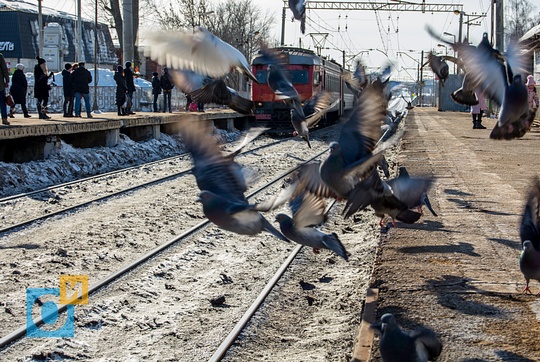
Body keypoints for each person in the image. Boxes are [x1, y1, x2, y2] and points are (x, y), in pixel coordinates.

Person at [0, 53, 9, 125]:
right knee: (2, 102)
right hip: (0, 85)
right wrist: (7, 80)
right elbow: (4, 69)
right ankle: (4, 118)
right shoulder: (0, 56)